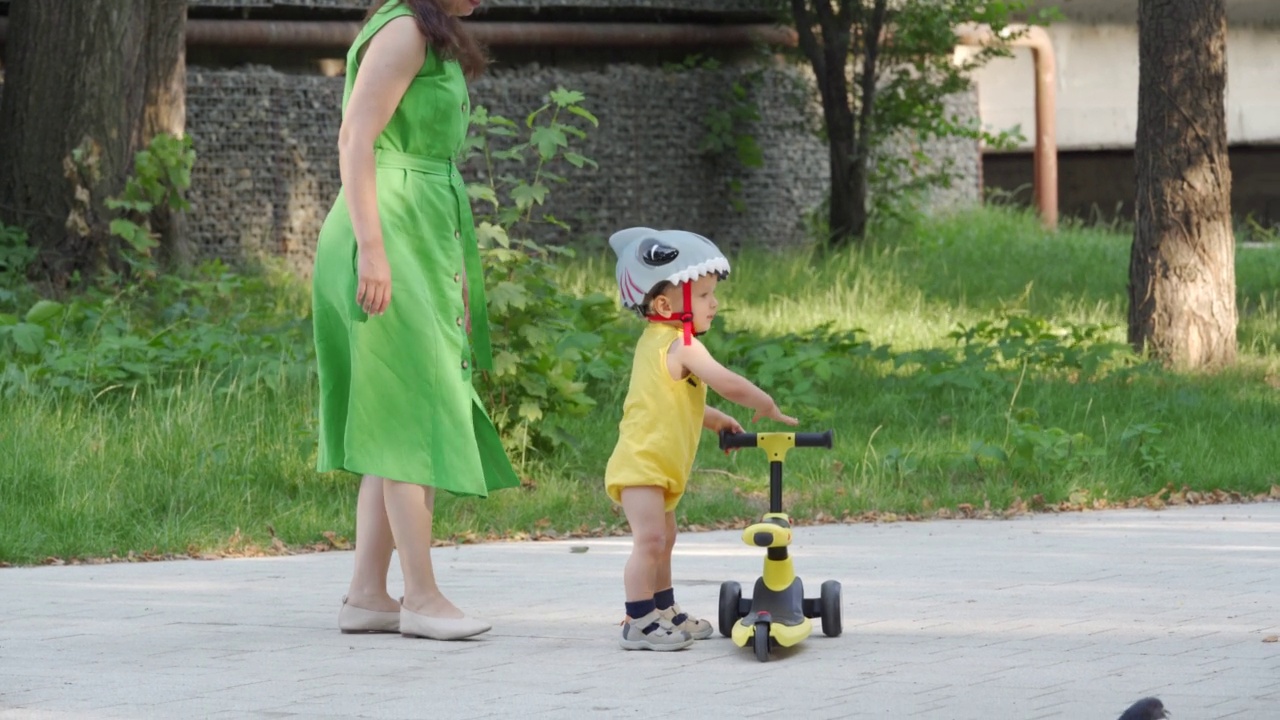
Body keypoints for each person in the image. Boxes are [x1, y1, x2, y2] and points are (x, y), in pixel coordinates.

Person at [311, 0, 518, 642]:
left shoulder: (424, 28)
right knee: (414, 410)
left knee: (396, 406)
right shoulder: (403, 29)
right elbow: (355, 136)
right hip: (390, 227)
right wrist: (373, 248)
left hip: (417, 226)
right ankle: (421, 598)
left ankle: (368, 595)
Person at [604, 227, 799, 651]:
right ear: (664, 304)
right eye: (706, 294)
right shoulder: (680, 345)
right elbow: (727, 382)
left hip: (660, 466)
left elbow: (672, 403)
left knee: (665, 540)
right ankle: (638, 619)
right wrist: (763, 402)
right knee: (650, 541)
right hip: (642, 464)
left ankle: (664, 608)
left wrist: (714, 421)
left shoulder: (665, 343)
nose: (715, 303)